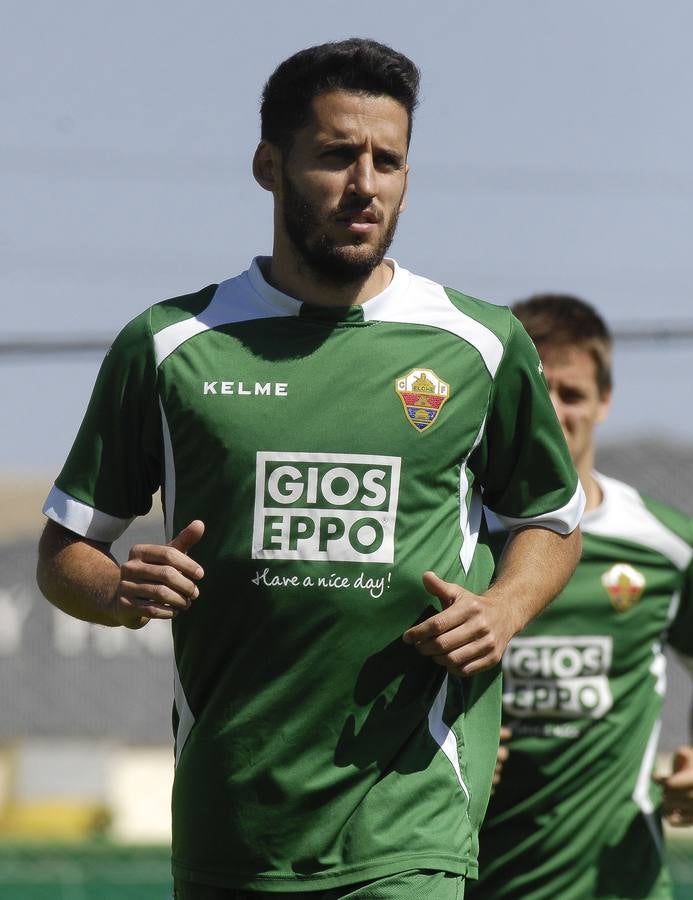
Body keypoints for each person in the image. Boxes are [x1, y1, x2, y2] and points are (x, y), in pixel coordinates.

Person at [36, 40, 584, 899]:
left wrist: (504, 608)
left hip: (410, 822)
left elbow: (550, 519)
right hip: (234, 824)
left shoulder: (478, 344)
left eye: (388, 160)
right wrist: (116, 590)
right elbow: (65, 552)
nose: (365, 184)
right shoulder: (171, 345)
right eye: (336, 155)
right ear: (269, 165)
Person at [473, 294, 693, 899]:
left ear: (604, 403)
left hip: (619, 884)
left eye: (572, 393)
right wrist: (452, 737)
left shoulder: (662, 543)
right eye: (537, 388)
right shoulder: (451, 536)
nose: (554, 409)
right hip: (465, 878)